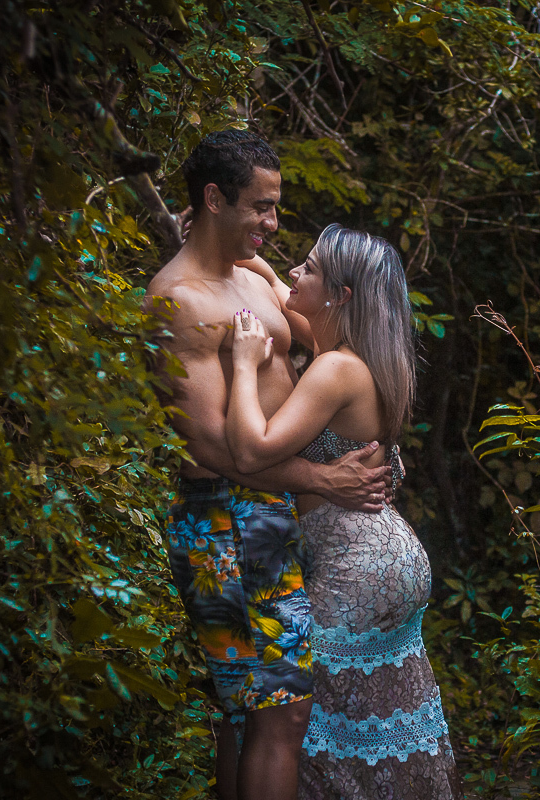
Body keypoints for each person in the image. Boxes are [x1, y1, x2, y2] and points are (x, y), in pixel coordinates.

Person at [146, 130, 392, 800]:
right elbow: (213, 448)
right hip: (224, 519)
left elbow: (323, 326)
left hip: (267, 513)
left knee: (249, 716)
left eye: (276, 206)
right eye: (261, 206)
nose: (274, 222)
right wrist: (322, 478)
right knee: (279, 714)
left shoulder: (250, 276)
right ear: (214, 199)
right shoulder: (180, 301)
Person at [227, 224, 460, 798]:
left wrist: (244, 362)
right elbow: (286, 295)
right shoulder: (366, 356)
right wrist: (251, 260)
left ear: (341, 295)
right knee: (374, 728)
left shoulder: (334, 369)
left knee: (297, 726)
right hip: (386, 555)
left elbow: (252, 450)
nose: (295, 273)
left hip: (354, 570)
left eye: (309, 268)